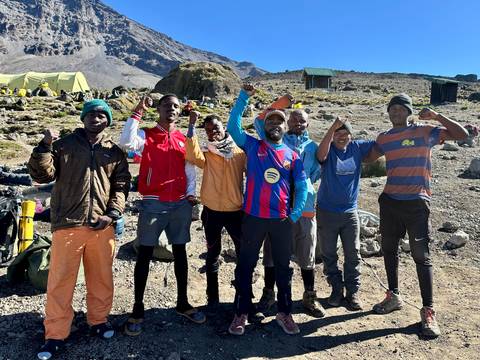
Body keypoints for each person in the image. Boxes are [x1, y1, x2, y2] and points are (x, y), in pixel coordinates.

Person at [28, 99, 131, 359]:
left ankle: (98, 321)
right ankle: (55, 334)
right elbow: (42, 176)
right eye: (90, 114)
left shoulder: (114, 152)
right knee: (61, 281)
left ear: (107, 120)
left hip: (101, 226)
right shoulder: (64, 146)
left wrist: (113, 214)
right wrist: (44, 146)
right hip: (68, 224)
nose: (95, 118)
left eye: (101, 115)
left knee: (101, 277)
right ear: (83, 118)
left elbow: (120, 186)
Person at [367, 93, 468, 337]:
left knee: (421, 256)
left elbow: (463, 135)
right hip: (390, 202)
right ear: (388, 113)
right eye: (392, 109)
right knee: (388, 250)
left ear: (409, 111)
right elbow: (366, 158)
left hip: (417, 203)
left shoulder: (426, 132)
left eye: (401, 109)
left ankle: (428, 311)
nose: (396, 113)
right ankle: (393, 296)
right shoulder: (385, 137)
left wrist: (436, 116)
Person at [119, 94, 205, 336]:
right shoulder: (147, 135)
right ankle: (137, 308)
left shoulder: (182, 138)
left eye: (176, 106)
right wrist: (138, 109)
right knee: (144, 253)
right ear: (158, 109)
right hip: (153, 203)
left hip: (179, 204)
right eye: (167, 105)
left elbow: (190, 168)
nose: (172, 109)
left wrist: (190, 195)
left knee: (180, 252)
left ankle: (183, 303)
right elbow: (126, 142)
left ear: (180, 112)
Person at [227, 84, 308, 336]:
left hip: (280, 221)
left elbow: (302, 187)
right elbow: (233, 128)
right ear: (265, 126)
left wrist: (294, 215)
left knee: (283, 268)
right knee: (245, 265)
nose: (275, 124)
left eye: (279, 122)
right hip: (253, 218)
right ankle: (241, 312)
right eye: (270, 121)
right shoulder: (253, 146)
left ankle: (284, 312)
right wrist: (243, 98)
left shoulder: (292, 155)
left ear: (285, 127)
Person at [254, 107, 325, 318]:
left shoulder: (313, 147)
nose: (297, 124)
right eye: (293, 120)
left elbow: (317, 172)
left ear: (308, 124)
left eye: (301, 121)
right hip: (278, 210)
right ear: (286, 123)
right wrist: (282, 103)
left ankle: (309, 296)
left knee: (307, 254)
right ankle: (268, 294)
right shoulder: (276, 140)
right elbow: (259, 122)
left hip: (305, 209)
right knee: (271, 254)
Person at [185, 111, 246, 313]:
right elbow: (191, 155)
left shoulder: (239, 153)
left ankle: (242, 295)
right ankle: (213, 298)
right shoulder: (208, 152)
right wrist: (192, 126)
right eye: (209, 130)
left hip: (236, 212)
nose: (213, 133)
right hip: (211, 211)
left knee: (242, 254)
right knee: (212, 254)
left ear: (224, 128)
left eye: (216, 128)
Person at [316, 117, 375, 311]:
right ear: (332, 136)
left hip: (350, 212)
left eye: (345, 133)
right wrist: (332, 127)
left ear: (351, 135)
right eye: (337, 134)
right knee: (329, 253)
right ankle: (336, 288)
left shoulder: (357, 147)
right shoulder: (329, 149)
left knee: (353, 253)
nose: (341, 137)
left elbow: (381, 145)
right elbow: (320, 156)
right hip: (326, 211)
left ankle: (352, 291)